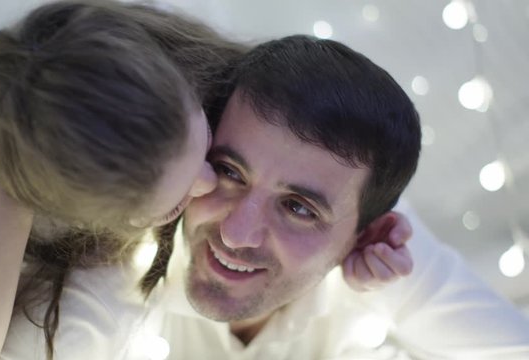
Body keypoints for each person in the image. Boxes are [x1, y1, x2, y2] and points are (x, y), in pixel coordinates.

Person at [0, 2, 413, 360]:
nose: (209, 182)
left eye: (212, 154)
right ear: (104, 217)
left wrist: (349, 235)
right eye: (180, 193)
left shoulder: (158, 75)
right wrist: (9, 197)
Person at [146, 35, 529, 359]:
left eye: (297, 208)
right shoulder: (130, 240)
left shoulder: (381, 245)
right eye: (230, 171)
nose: (236, 233)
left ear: (363, 236)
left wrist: (389, 282)